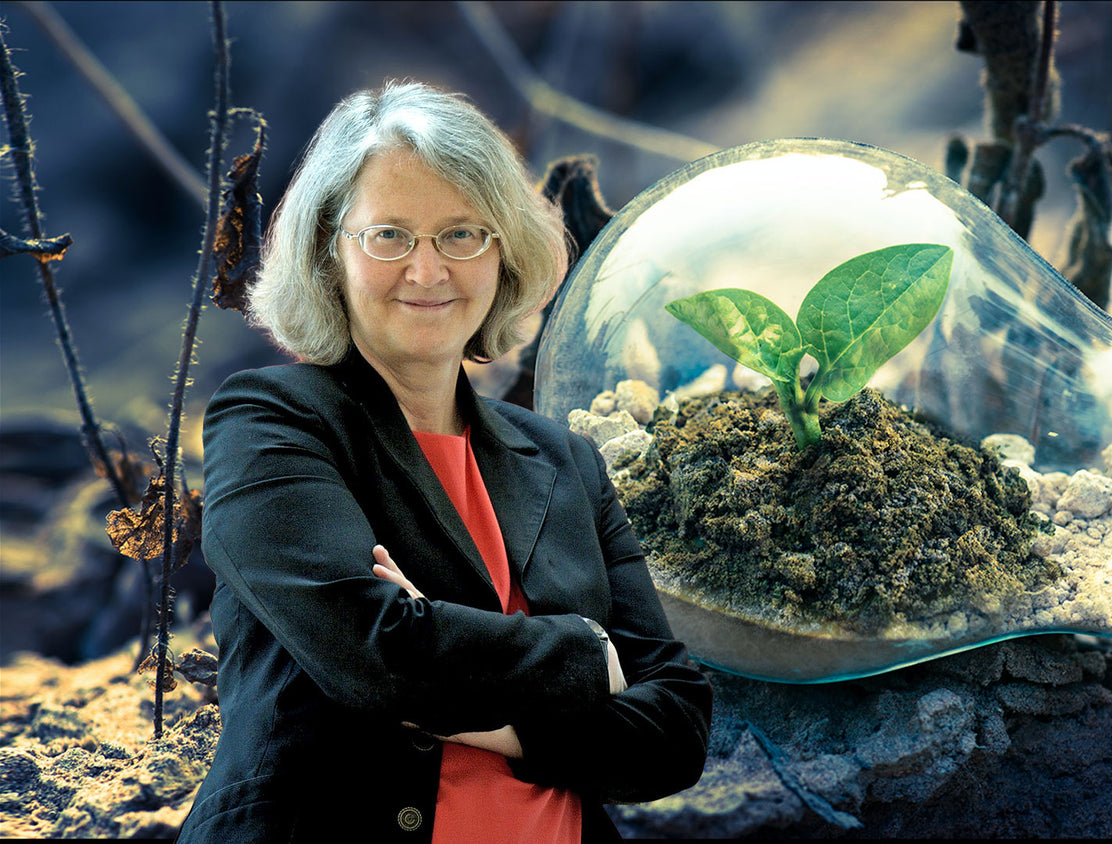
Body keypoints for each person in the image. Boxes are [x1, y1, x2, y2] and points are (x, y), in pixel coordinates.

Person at [177, 80, 712, 843]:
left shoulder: (565, 462)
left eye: (462, 234)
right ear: (331, 253)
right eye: (389, 235)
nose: (428, 272)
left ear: (503, 253)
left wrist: (493, 715)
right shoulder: (272, 422)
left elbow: (679, 728)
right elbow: (377, 658)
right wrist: (587, 653)